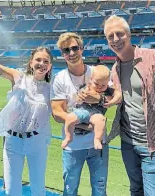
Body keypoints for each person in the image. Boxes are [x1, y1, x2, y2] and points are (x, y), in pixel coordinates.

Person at [104, 15, 155, 196]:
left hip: (154, 143)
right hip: (127, 143)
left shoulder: (154, 58)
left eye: (119, 34)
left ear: (129, 35)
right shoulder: (115, 68)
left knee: (154, 193)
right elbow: (118, 96)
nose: (115, 40)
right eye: (110, 36)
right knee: (135, 190)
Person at [0, 12, 53, 196]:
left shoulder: (51, 89)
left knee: (38, 190)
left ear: (50, 66)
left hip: (37, 143)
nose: (41, 63)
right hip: (13, 142)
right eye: (38, 60)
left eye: (46, 61)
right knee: (12, 191)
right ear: (31, 62)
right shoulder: (18, 77)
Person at [51, 32, 112, 196]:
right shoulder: (60, 78)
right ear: (62, 54)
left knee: (100, 190)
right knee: (70, 190)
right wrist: (84, 124)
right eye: (66, 50)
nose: (71, 53)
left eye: (74, 48)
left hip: (97, 146)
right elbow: (57, 112)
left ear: (82, 49)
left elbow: (115, 97)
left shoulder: (97, 72)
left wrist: (98, 98)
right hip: (73, 147)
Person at [62, 64, 121, 150]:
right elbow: (77, 98)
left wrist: (112, 101)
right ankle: (68, 137)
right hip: (82, 110)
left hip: (96, 114)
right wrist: (81, 96)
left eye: (103, 85)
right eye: (96, 84)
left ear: (108, 82)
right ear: (91, 80)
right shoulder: (87, 87)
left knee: (101, 120)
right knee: (70, 118)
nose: (100, 87)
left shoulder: (108, 90)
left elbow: (119, 95)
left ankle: (97, 139)